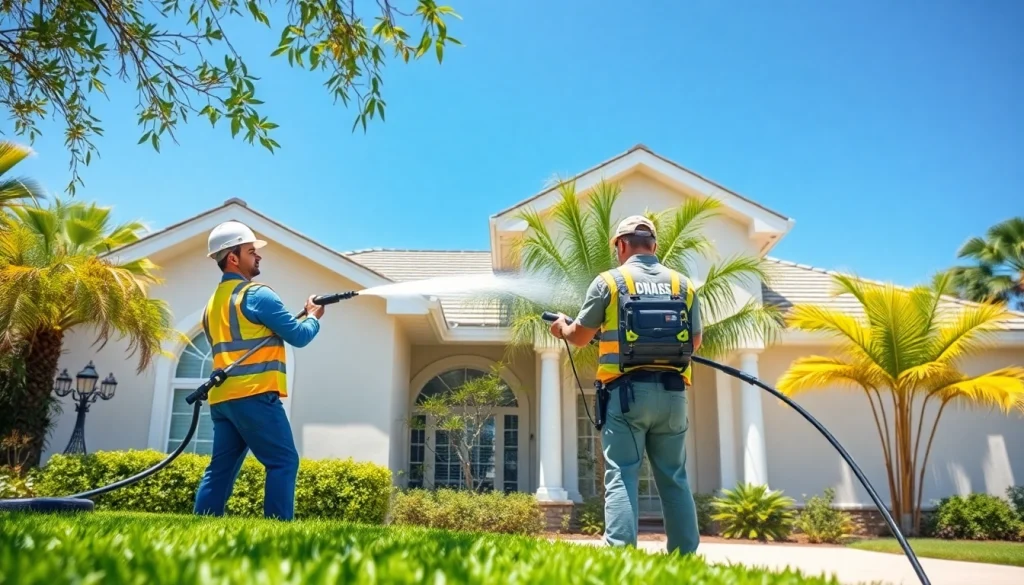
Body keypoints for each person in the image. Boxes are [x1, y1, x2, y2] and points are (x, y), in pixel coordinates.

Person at [547, 215, 703, 555]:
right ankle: (685, 558)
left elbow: (580, 336)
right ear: (654, 245)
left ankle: (620, 555)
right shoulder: (683, 285)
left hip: (627, 395)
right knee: (674, 477)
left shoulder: (610, 282)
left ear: (620, 245)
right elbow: (695, 342)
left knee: (621, 473)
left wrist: (561, 328)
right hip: (673, 396)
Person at [192, 220, 325, 521]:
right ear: (233, 257)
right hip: (254, 395)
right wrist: (314, 316)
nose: (258, 256)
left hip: (223, 400)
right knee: (283, 462)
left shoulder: (211, 306)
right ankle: (278, 531)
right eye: (251, 251)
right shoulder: (257, 295)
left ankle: (201, 526)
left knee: (220, 470)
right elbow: (299, 336)